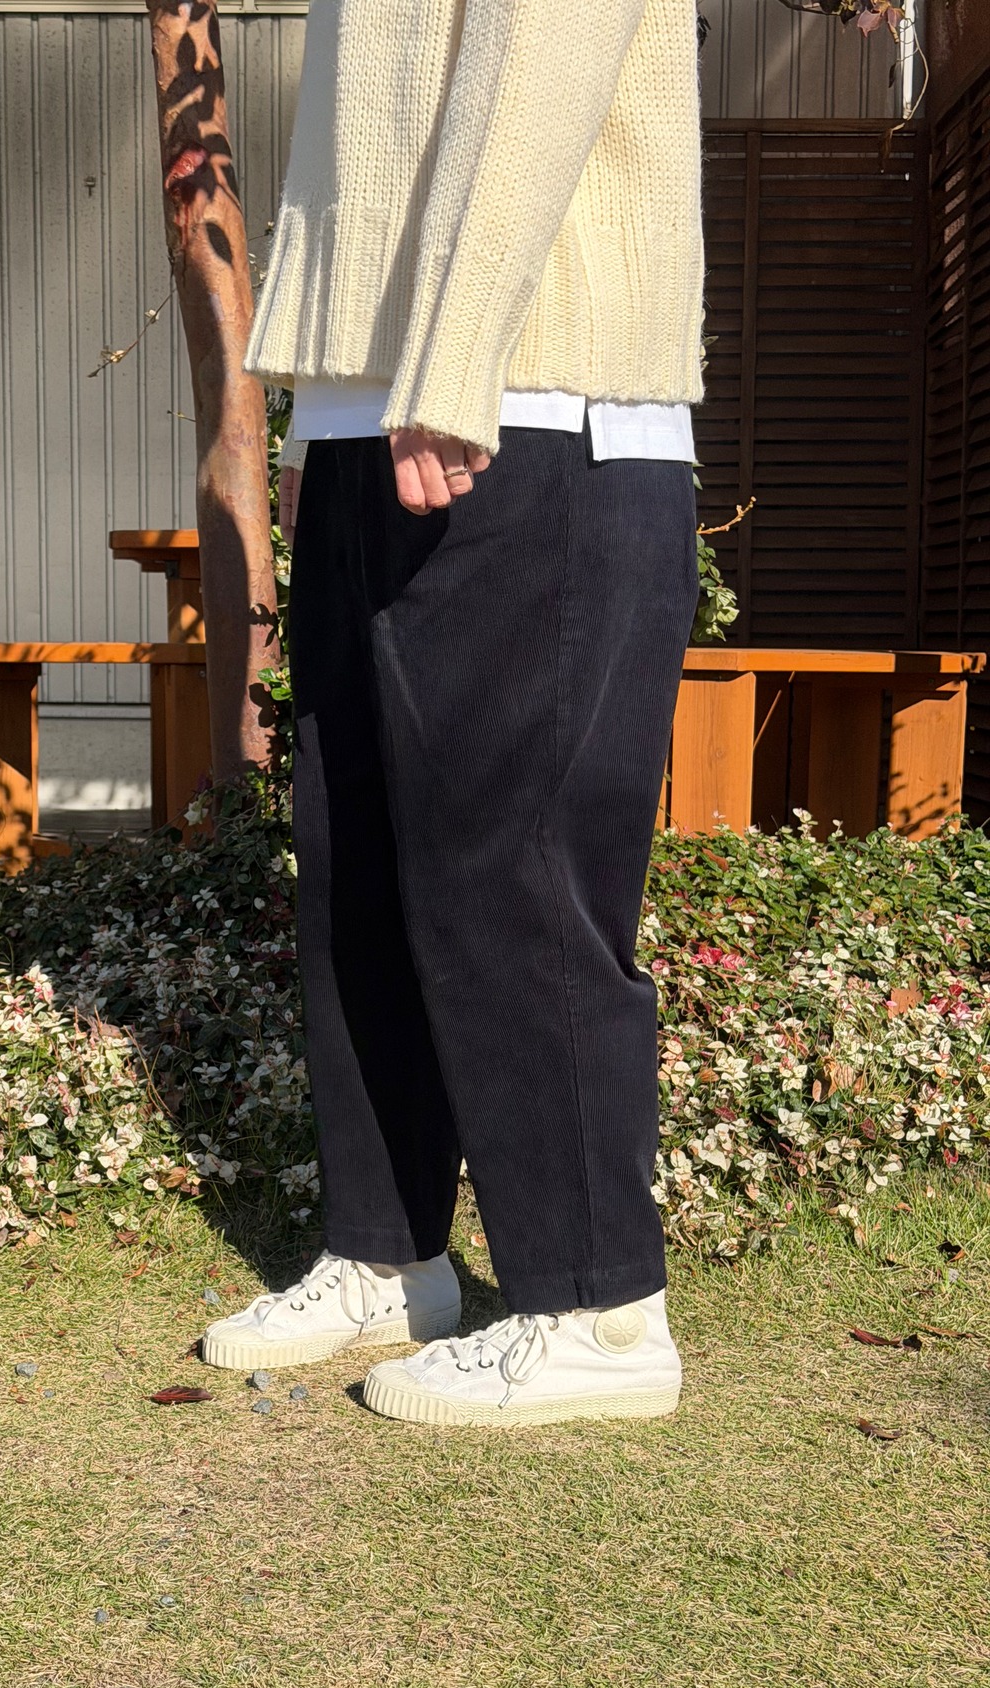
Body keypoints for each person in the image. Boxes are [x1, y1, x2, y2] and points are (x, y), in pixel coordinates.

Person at [201, 0, 705, 1427]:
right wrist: (325, 413)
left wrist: (454, 352)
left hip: (525, 399)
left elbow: (543, 52)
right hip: (388, 414)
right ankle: (386, 1253)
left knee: (518, 871)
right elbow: (371, 128)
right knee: (357, 866)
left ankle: (599, 1312)